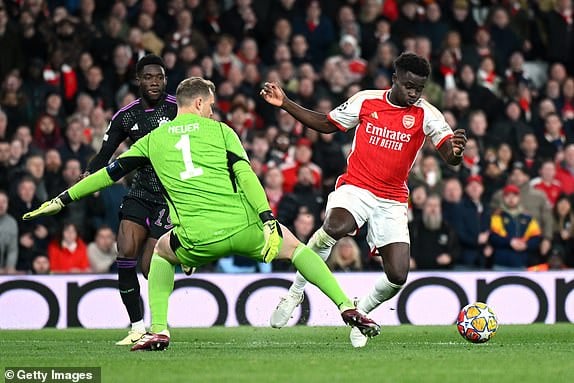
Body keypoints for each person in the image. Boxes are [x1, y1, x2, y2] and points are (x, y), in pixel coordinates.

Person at [23, 77, 380, 351]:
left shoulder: (152, 140)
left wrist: (63, 199)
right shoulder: (223, 131)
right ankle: (346, 306)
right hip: (244, 227)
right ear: (198, 102)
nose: (212, 111)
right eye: (209, 105)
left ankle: (159, 329)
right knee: (299, 249)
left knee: (161, 252)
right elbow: (246, 175)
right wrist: (268, 218)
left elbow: (107, 174)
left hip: (195, 238)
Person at [260, 52, 467, 347]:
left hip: (393, 199)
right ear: (394, 79)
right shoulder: (366, 100)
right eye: (409, 86)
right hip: (356, 186)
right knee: (336, 226)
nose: (414, 93)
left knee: (398, 275)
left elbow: (449, 154)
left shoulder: (427, 114)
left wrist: (456, 153)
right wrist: (286, 104)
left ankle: (362, 313)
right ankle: (295, 291)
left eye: (419, 88)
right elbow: (326, 123)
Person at [82, 54, 178, 345]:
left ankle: (158, 322)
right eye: (148, 77)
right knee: (124, 254)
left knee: (150, 268)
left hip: (168, 197)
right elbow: (105, 153)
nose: (154, 82)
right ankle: (137, 327)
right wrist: (88, 176)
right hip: (139, 192)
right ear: (138, 79)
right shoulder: (126, 116)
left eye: (159, 77)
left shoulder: (179, 110)